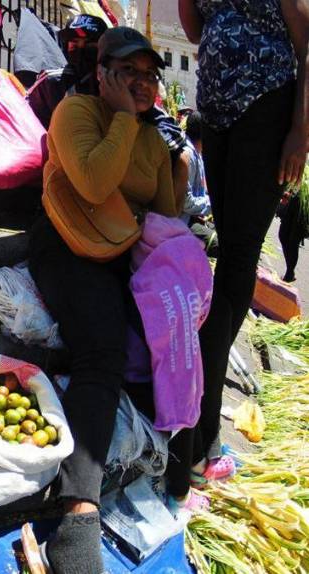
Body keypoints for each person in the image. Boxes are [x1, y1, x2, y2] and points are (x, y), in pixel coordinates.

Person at [26, 28, 178, 573]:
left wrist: (172, 166)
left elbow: (164, 216)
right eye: (129, 72)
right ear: (102, 74)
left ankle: (176, 468)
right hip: (68, 245)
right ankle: (78, 517)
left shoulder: (154, 138)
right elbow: (92, 183)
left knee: (168, 342)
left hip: (122, 253)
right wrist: (121, 118)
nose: (142, 83)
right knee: (101, 352)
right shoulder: (77, 113)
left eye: (149, 74)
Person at [171, 0, 308, 495]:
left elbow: (307, 42)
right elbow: (192, 27)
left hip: (266, 110)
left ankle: (200, 434)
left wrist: (300, 132)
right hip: (220, 112)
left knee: (237, 259)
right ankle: (196, 431)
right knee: (229, 255)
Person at [26, 14, 108, 129]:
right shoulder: (51, 83)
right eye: (74, 43)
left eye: (89, 43)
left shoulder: (115, 84)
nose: (81, 48)